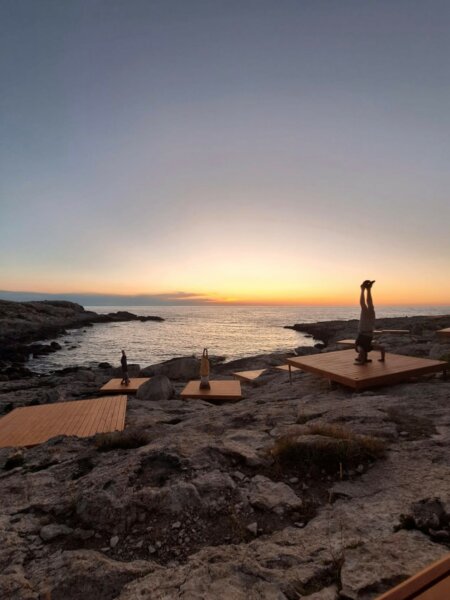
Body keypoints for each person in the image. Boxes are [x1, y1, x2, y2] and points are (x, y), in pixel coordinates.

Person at [355, 280, 385, 365]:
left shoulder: (366, 348)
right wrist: (362, 361)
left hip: (368, 329)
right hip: (364, 329)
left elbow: (382, 348)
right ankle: (365, 289)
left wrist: (382, 359)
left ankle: (367, 289)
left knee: (369, 305)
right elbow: (362, 351)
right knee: (364, 305)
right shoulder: (359, 347)